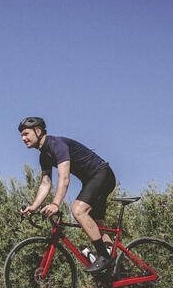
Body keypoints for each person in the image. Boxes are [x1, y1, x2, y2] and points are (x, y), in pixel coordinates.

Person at [18, 116, 116, 273]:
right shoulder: (44, 155)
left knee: (78, 210)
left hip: (102, 175)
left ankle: (104, 257)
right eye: (21, 135)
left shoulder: (57, 144)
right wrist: (34, 206)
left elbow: (64, 178)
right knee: (98, 227)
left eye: (26, 134)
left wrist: (56, 203)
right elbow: (45, 183)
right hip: (91, 180)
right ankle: (114, 271)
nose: (23, 138)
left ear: (38, 131)